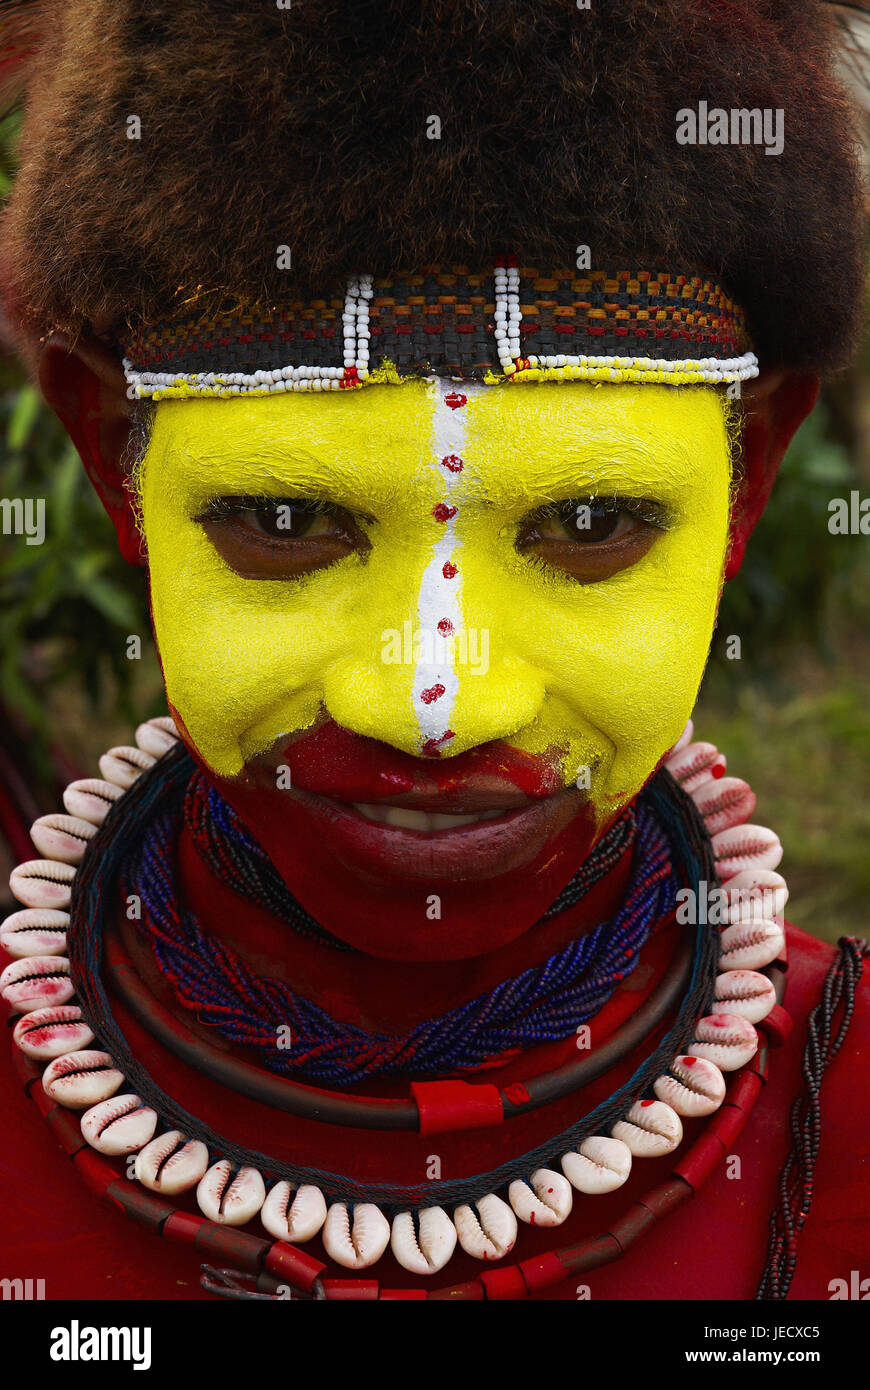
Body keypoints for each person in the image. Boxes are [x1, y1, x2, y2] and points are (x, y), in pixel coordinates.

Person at [0, 0, 867, 1302]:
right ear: (110, 459)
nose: (435, 703)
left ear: (748, 479)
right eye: (284, 521)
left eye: (589, 524)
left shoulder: (842, 1110)